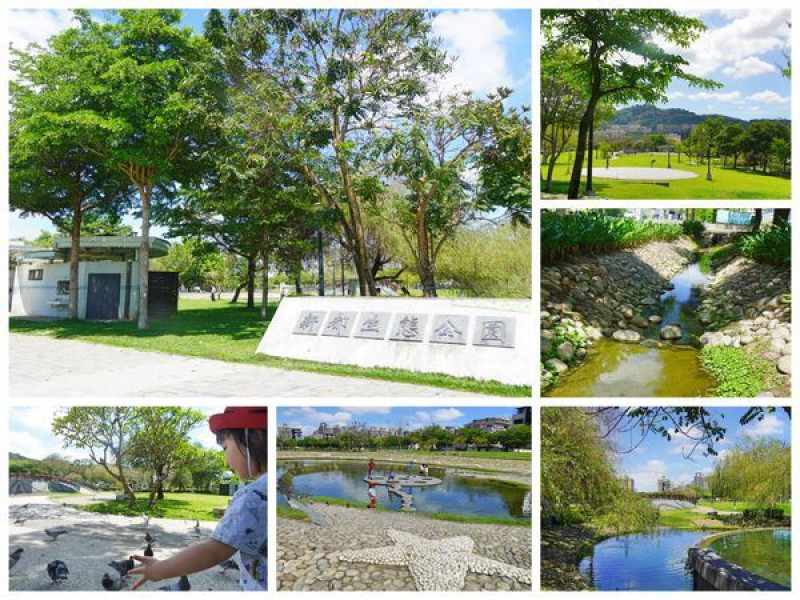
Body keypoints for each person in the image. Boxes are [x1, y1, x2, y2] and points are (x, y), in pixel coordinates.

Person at [129, 407, 267, 591]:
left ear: (252, 437)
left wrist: (159, 570)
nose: (226, 460)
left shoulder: (253, 496)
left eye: (225, 448)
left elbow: (213, 551)